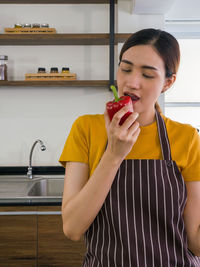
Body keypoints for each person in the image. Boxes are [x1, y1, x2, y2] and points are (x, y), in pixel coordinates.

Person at [59, 28, 200, 266]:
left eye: (147, 75)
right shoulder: (86, 129)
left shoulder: (186, 137)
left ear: (167, 82)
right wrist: (113, 155)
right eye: (125, 69)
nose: (131, 82)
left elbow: (194, 238)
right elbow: (72, 228)